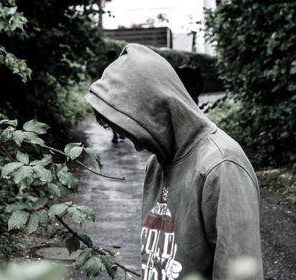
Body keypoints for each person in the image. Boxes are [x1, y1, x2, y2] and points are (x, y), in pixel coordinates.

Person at [85, 44, 263, 280]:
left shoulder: (222, 166)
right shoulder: (156, 165)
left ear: (160, 108)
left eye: (137, 131)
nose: (137, 146)